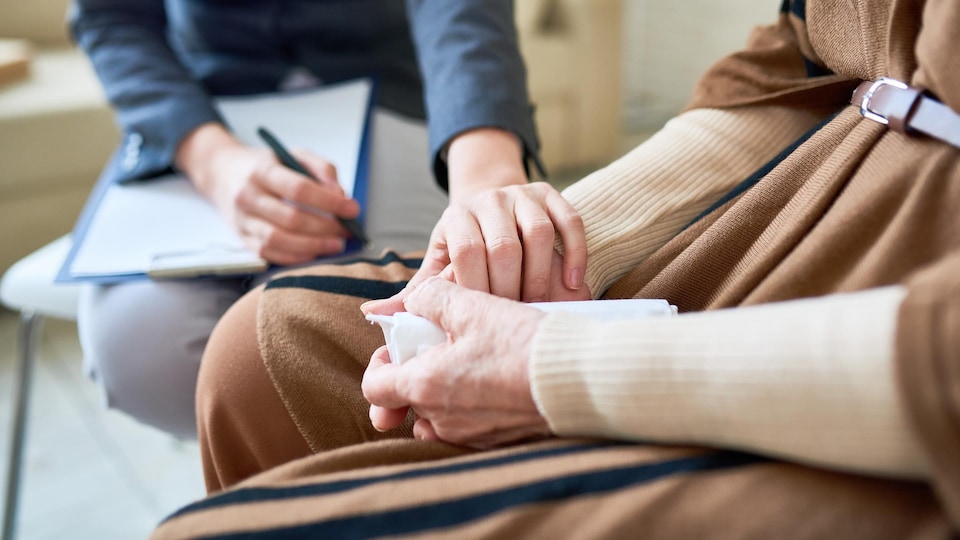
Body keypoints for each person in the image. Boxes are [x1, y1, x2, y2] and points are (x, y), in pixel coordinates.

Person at [157, 0, 960, 537]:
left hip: (920, 370)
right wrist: (552, 239)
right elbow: (803, 57)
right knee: (262, 349)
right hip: (797, 199)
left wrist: (560, 367)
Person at [68, 0, 544, 438]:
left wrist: (486, 169)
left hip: (395, 91)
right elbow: (110, 14)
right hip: (202, 113)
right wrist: (213, 161)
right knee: (139, 354)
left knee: (354, 345)